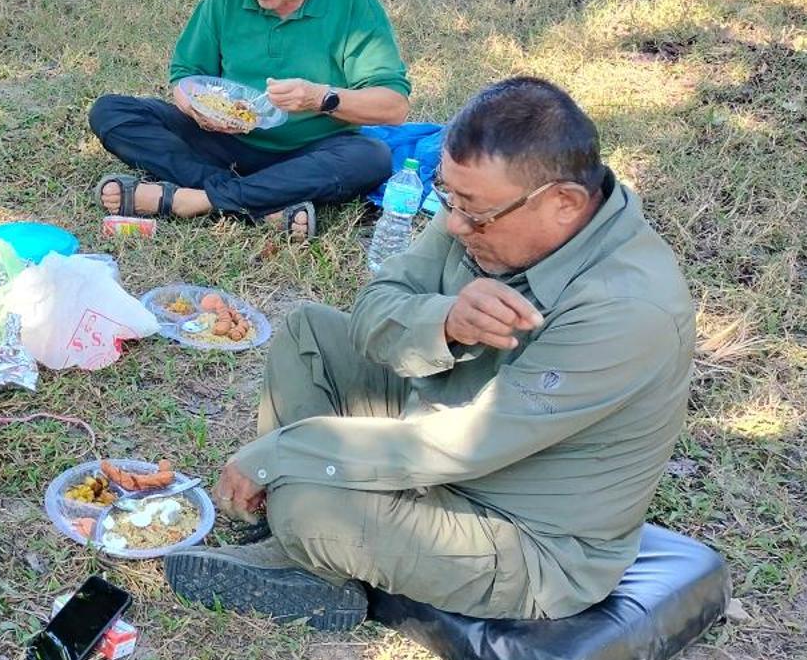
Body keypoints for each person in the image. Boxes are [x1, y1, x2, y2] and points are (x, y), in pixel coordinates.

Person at [163, 78, 695, 627]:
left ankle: (306, 538)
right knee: (310, 335)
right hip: (441, 430)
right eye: (450, 199)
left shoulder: (628, 310)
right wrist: (443, 322)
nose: (456, 224)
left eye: (475, 213)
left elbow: (463, 445)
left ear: (563, 203)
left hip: (521, 535)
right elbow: (375, 306)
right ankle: (310, 539)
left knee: (302, 497)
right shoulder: (480, 205)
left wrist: (282, 453)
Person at [88, 0, 407, 238]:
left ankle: (188, 200)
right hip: (225, 144)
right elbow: (184, 75)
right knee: (111, 112)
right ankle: (262, 205)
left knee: (372, 157)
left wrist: (320, 98)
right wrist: (197, 111)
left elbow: (394, 106)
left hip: (309, 152)